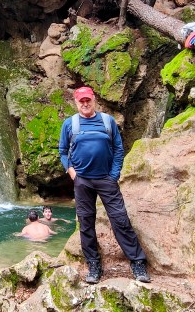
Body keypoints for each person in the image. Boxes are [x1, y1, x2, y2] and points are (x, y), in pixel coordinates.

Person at [59, 86, 150, 284]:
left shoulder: (107, 121)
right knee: (86, 223)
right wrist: (72, 172)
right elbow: (63, 151)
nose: (85, 104)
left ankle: (137, 262)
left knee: (120, 219)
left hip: (106, 179)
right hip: (82, 180)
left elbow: (118, 149)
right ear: (76, 102)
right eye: (81, 101)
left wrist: (114, 174)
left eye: (87, 100)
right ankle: (93, 264)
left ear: (94, 100)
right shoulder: (70, 124)